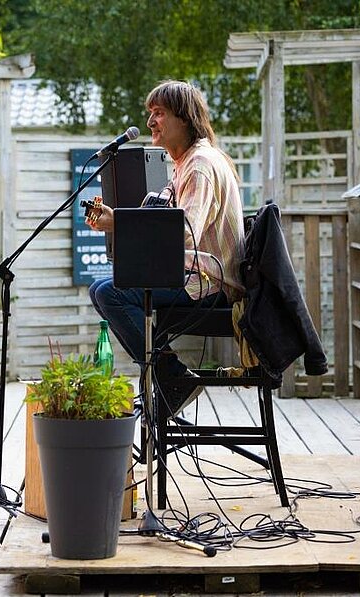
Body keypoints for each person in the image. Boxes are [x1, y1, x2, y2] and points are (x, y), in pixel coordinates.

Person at [87, 80, 245, 416]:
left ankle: (172, 377)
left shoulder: (200, 165)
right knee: (104, 287)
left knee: (110, 293)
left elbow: (184, 233)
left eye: (159, 113)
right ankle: (170, 376)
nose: (150, 122)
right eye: (150, 114)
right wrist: (121, 223)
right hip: (194, 274)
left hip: (209, 282)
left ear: (184, 118)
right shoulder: (187, 163)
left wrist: (121, 223)